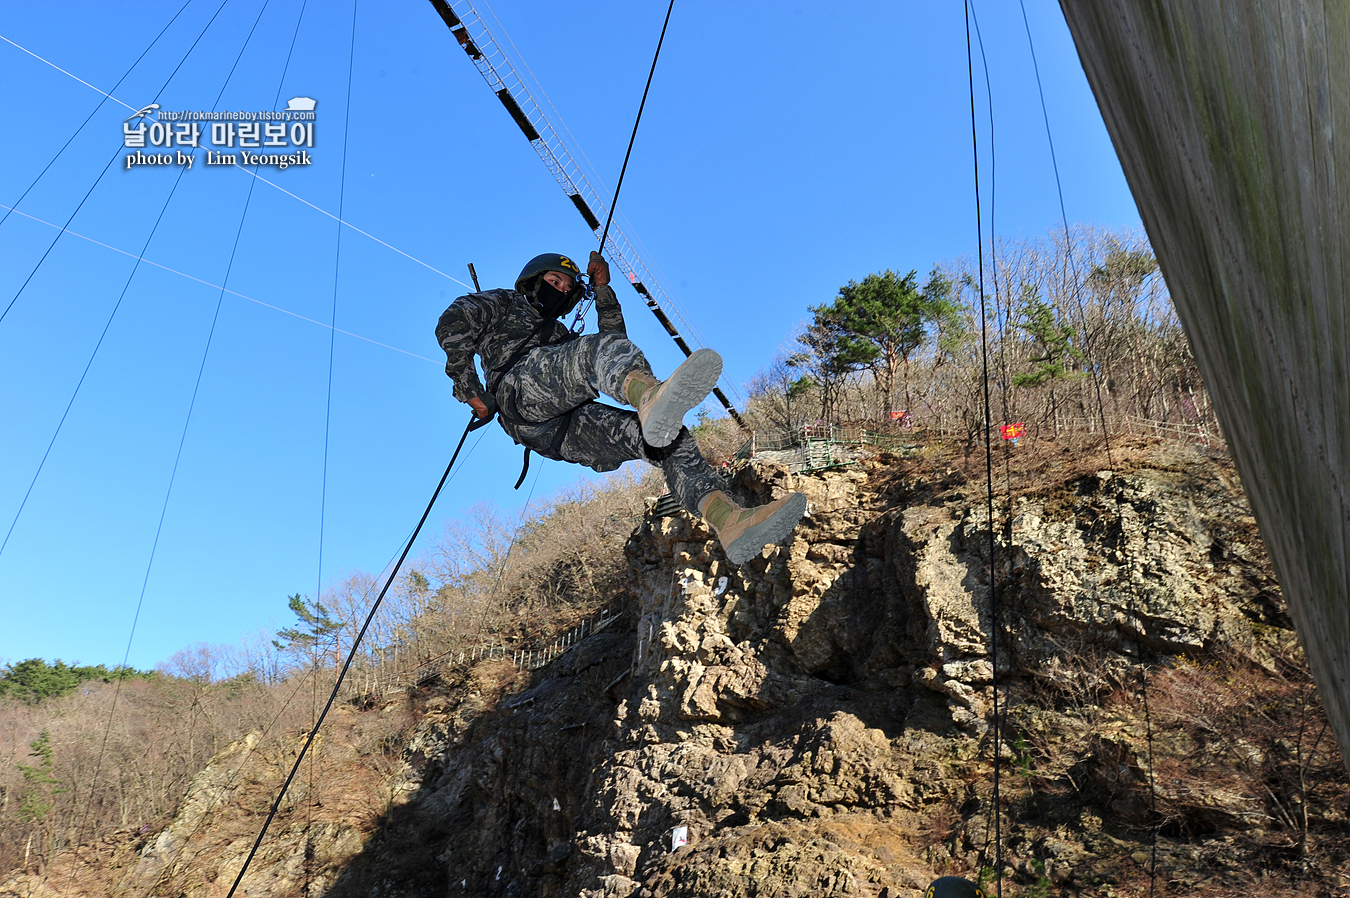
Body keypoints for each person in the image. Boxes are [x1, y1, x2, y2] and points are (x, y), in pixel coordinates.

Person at [435, 250, 806, 565]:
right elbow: (454, 321)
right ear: (532, 282)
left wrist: (602, 290)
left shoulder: (561, 336)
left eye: (566, 287)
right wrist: (468, 388)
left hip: (565, 430)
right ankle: (648, 399)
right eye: (554, 280)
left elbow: (616, 343)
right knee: (596, 352)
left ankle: (728, 519)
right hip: (521, 394)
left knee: (671, 441)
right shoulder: (505, 303)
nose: (561, 289)